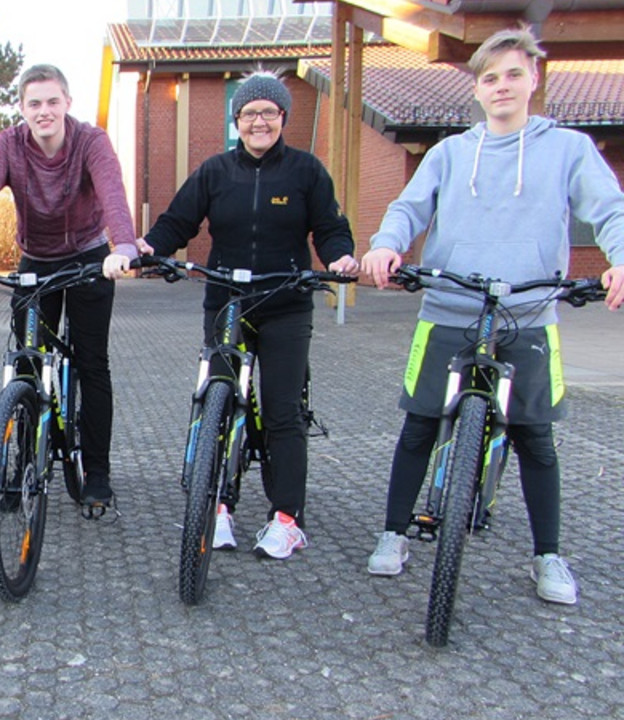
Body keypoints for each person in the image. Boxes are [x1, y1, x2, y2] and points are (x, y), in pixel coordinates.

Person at [361, 28, 624, 604]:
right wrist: (386, 244)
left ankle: (547, 556)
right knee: (419, 425)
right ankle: (392, 534)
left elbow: (609, 211)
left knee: (536, 439)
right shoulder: (451, 153)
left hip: (529, 316)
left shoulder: (568, 149)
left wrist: (620, 258)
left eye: (513, 74)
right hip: (448, 309)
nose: (501, 86)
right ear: (476, 90)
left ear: (533, 79)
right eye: (489, 78)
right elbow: (409, 208)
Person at [105, 70, 357, 558]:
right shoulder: (215, 172)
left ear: (283, 117)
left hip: (285, 304)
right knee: (217, 401)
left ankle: (287, 519)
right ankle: (217, 507)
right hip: (227, 302)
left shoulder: (307, 171)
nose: (259, 121)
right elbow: (178, 220)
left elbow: (329, 228)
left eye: (268, 112)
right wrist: (149, 246)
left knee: (283, 412)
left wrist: (340, 257)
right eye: (249, 113)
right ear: (235, 120)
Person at [0, 63, 138, 512]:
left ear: (67, 103)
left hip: (89, 258)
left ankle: (97, 473)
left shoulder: (90, 141)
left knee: (92, 362)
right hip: (35, 264)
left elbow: (113, 194)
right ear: (21, 108)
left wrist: (123, 245)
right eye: (34, 103)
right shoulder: (9, 145)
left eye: (52, 101)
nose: (44, 111)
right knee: (26, 363)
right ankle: (23, 462)